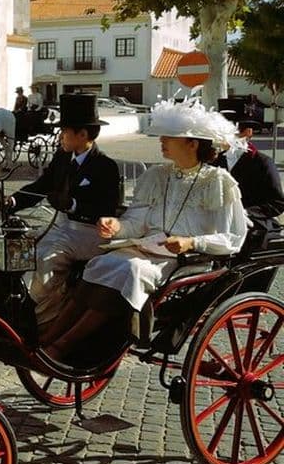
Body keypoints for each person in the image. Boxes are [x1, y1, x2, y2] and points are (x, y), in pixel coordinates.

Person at [41, 99, 246, 362]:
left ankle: (64, 344)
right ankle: (50, 336)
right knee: (100, 263)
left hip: (187, 260)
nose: (161, 141)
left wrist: (191, 242)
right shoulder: (156, 176)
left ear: (192, 144)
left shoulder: (218, 182)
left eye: (168, 138)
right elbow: (137, 221)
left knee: (130, 270)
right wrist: (117, 226)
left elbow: (233, 237)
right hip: (147, 248)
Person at [0, 94, 121, 330]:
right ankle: (17, 301)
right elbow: (41, 186)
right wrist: (13, 201)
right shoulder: (63, 157)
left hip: (91, 233)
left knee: (45, 258)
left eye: (64, 131)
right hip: (62, 228)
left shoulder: (106, 166)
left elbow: (107, 210)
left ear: (82, 134)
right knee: (17, 248)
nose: (60, 136)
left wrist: (73, 205)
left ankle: (38, 318)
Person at [215, 97, 284, 289]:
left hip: (255, 225)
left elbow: (277, 202)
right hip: (218, 222)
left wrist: (244, 213)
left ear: (248, 132)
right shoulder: (214, 162)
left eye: (233, 130)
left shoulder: (262, 162)